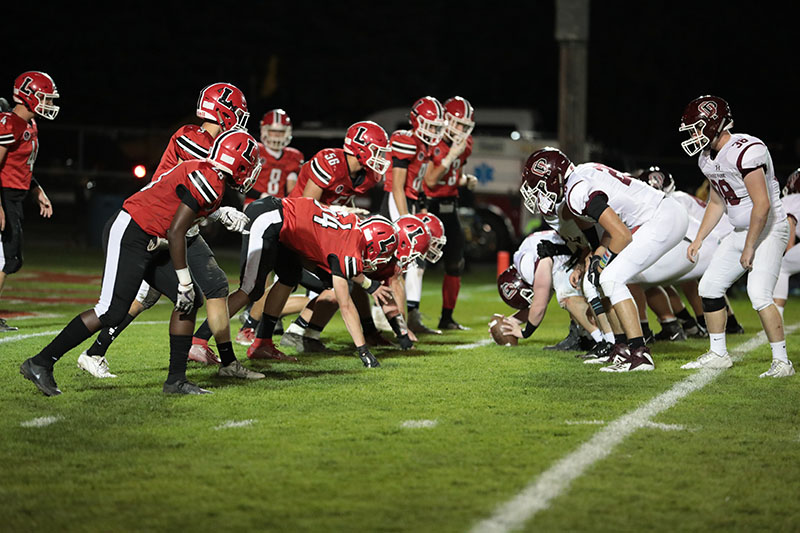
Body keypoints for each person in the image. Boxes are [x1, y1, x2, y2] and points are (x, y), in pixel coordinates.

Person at [20, 130, 265, 396]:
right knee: (110, 311)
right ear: (236, 162)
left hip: (150, 237)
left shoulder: (207, 174)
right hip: (132, 232)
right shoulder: (209, 180)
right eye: (249, 164)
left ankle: (176, 381)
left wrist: (218, 214)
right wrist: (183, 279)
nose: (251, 172)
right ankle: (41, 362)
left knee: (190, 300)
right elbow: (176, 232)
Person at [76, 82, 253, 377]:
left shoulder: (211, 143)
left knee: (213, 285)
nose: (240, 121)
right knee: (147, 296)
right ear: (223, 113)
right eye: (236, 113)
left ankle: (225, 361)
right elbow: (196, 189)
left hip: (183, 227)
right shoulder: (192, 138)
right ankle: (93, 351)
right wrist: (221, 212)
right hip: (159, 225)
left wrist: (219, 212)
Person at [519, 147, 689, 372]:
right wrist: (595, 252)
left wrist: (601, 260)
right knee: (597, 279)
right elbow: (590, 223)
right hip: (652, 218)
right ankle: (619, 347)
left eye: (538, 188)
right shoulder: (578, 180)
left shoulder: (576, 192)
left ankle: (639, 352)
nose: (537, 195)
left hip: (659, 218)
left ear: (553, 179)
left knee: (610, 278)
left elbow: (621, 234)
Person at [680, 95, 793, 377]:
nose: (693, 135)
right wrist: (699, 238)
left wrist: (750, 247)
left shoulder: (746, 149)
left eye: (696, 127)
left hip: (768, 229)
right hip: (742, 230)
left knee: (759, 294)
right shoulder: (707, 158)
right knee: (708, 288)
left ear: (713, 123)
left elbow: (762, 205)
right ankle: (718, 353)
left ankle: (782, 362)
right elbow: (717, 203)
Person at [235, 109, 305, 345]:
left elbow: (293, 187)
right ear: (263, 131)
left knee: (280, 270)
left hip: (280, 214)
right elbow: (241, 181)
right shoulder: (254, 149)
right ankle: (250, 313)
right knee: (258, 271)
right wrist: (262, 194)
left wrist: (292, 204)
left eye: (280, 131)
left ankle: (267, 315)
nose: (275, 135)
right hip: (255, 212)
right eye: (272, 131)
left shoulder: (294, 156)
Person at [380, 96, 448, 335]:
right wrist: (404, 220)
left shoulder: (425, 146)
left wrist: (421, 209)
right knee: (397, 265)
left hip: (410, 202)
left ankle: (412, 315)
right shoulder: (405, 140)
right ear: (416, 121)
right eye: (429, 126)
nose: (433, 132)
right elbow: (397, 186)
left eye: (436, 127)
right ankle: (388, 318)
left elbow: (418, 185)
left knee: (417, 264)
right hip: (395, 202)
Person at [0, 71, 58, 332]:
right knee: (7, 260)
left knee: (9, 259)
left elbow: (23, 166)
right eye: (44, 98)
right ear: (28, 97)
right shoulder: (9, 124)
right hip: (4, 196)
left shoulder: (30, 125)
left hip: (16, 196)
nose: (49, 104)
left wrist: (37, 191)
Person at [421, 96, 478, 331]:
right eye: (458, 124)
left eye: (466, 126)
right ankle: (407, 313)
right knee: (415, 263)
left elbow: (453, 174)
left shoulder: (466, 144)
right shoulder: (433, 140)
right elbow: (431, 180)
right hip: (429, 204)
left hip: (450, 204)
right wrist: (451, 155)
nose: (462, 130)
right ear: (445, 119)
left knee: (455, 262)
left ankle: (447, 317)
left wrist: (464, 180)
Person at [775, 169, 800, 317]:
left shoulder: (790, 200)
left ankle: (777, 315)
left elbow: (790, 222)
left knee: (782, 267)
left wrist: (788, 251)